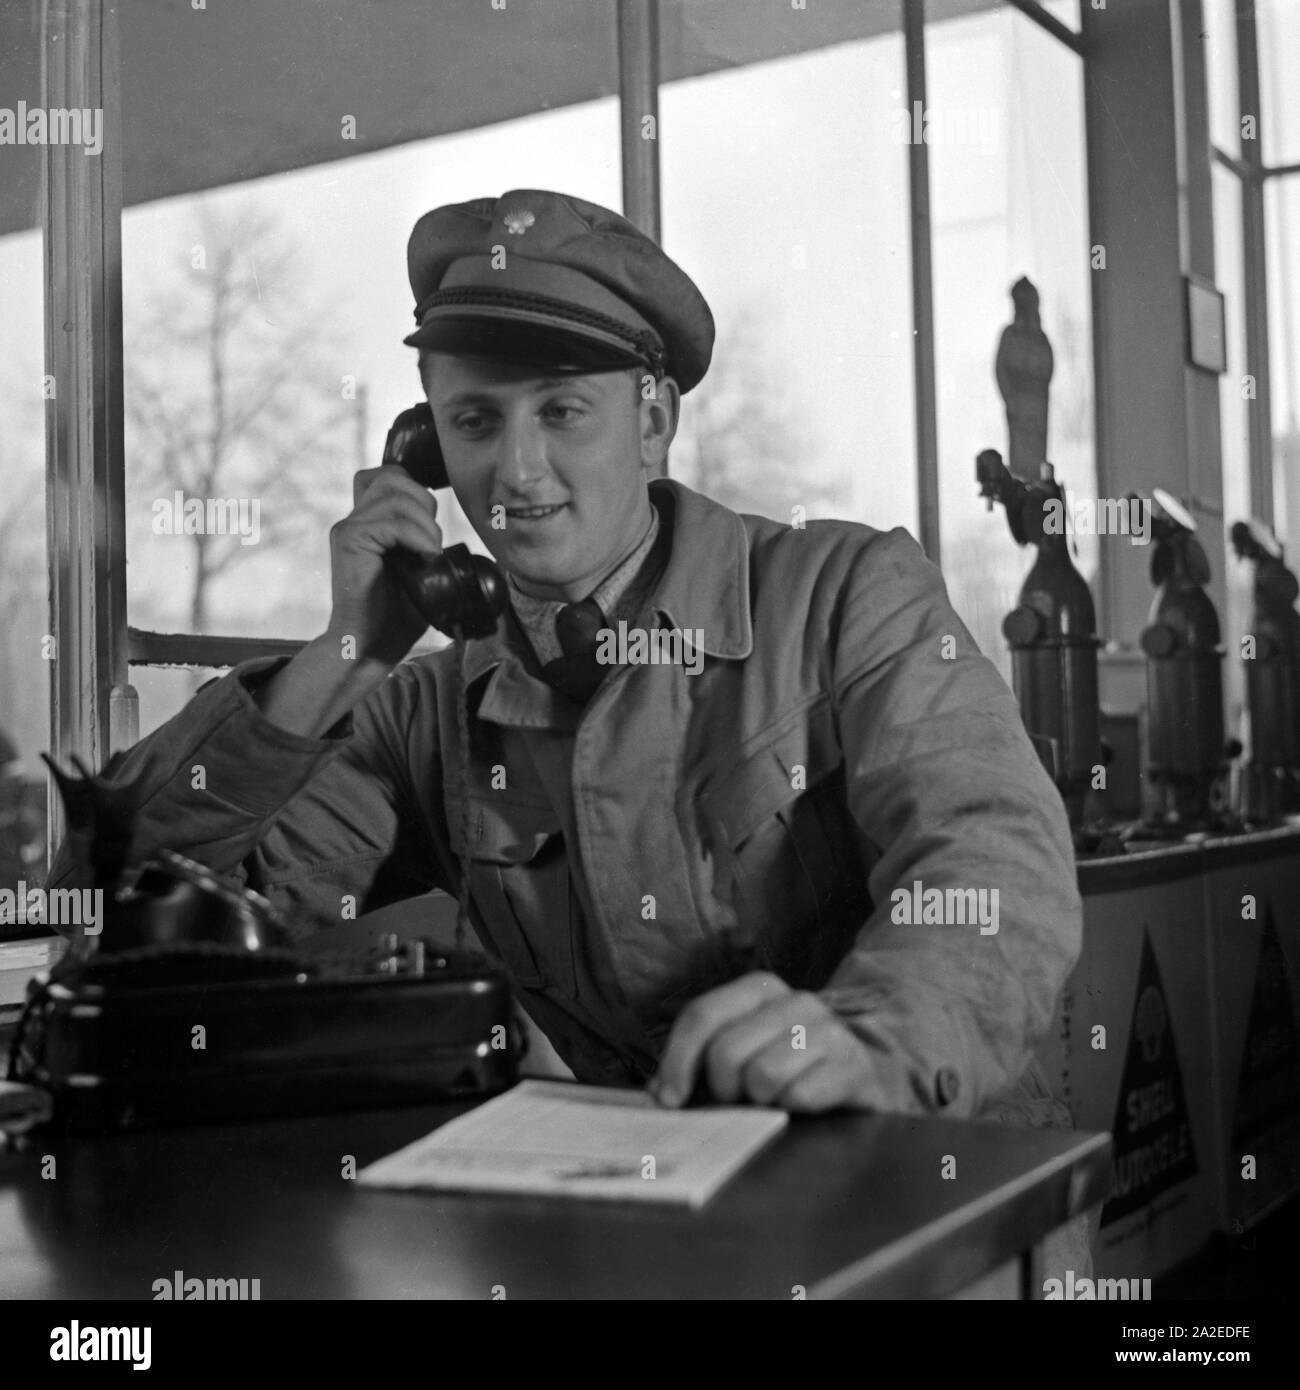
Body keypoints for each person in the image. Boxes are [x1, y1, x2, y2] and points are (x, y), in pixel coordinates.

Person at [51, 190, 1082, 1132]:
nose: (517, 470)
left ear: (652, 423)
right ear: (424, 446)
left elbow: (990, 861)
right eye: (472, 422)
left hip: (919, 1185)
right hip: (648, 1221)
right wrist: (343, 654)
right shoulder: (431, 713)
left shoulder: (846, 595)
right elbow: (156, 915)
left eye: (561, 410)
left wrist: (871, 1038)